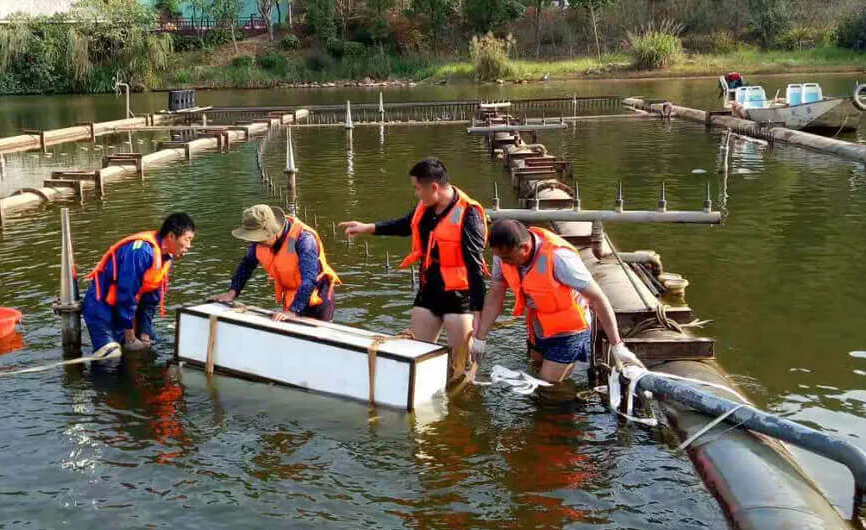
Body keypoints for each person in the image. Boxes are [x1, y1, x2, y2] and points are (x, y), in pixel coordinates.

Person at [339, 157, 487, 379]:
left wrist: (478, 313)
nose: (416, 193)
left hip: (459, 295)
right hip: (430, 289)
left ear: (434, 187)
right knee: (417, 352)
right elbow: (405, 224)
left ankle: (462, 394)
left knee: (461, 365)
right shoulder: (426, 206)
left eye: (418, 188)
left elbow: (475, 268)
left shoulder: (469, 215)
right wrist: (368, 228)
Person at [472, 219, 636, 383]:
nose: (503, 262)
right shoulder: (502, 255)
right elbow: (496, 294)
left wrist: (617, 345)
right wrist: (480, 338)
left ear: (525, 248)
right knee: (535, 370)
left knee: (549, 385)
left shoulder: (560, 259)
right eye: (500, 257)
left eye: (507, 258)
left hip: (569, 331)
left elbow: (598, 298)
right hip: (538, 326)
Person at [82, 212, 196, 361]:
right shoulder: (142, 252)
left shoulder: (166, 257)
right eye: (187, 239)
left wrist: (144, 334)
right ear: (171, 236)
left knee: (149, 345)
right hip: (102, 306)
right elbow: (126, 292)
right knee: (110, 358)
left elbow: (151, 299)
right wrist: (130, 337)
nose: (189, 246)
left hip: (124, 308)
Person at [214, 204, 341, 321]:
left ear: (272, 232)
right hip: (291, 295)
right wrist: (232, 292)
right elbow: (247, 264)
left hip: (317, 298)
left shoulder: (301, 240)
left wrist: (293, 311)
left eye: (260, 238)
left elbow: (309, 279)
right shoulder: (259, 244)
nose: (257, 242)